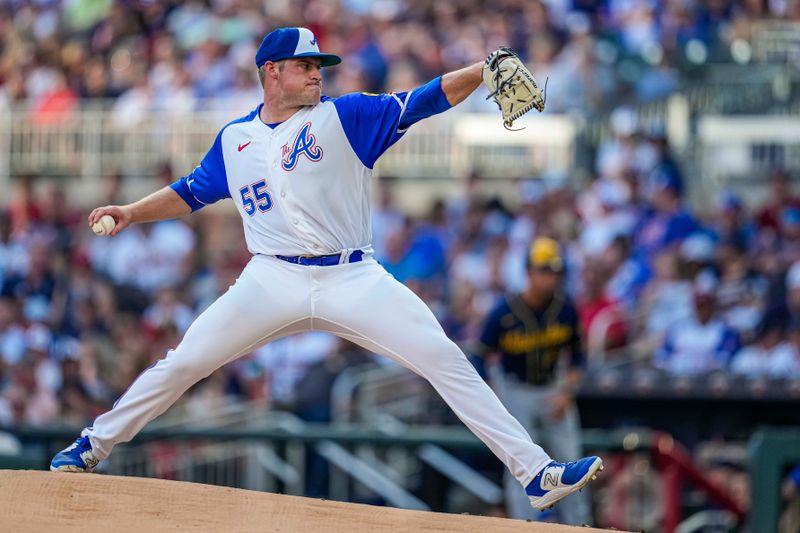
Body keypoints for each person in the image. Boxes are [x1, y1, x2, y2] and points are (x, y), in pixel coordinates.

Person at [49, 27, 602, 513]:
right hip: (270, 279)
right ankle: (92, 445)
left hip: (352, 276)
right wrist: (131, 212)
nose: (318, 74)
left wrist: (482, 72)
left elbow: (425, 99)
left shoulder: (346, 116)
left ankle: (535, 474)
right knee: (184, 361)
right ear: (272, 72)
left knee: (445, 358)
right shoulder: (234, 140)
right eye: (306, 66)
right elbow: (191, 192)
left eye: (320, 66)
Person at [474, 237, 592, 525]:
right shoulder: (505, 312)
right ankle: (523, 526)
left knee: (572, 464)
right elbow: (479, 356)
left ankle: (579, 526)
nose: (550, 278)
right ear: (528, 272)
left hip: (554, 388)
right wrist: (493, 397)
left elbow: (578, 355)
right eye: (543, 271)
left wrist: (567, 392)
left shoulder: (565, 309)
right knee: (519, 465)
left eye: (555, 271)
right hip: (515, 391)